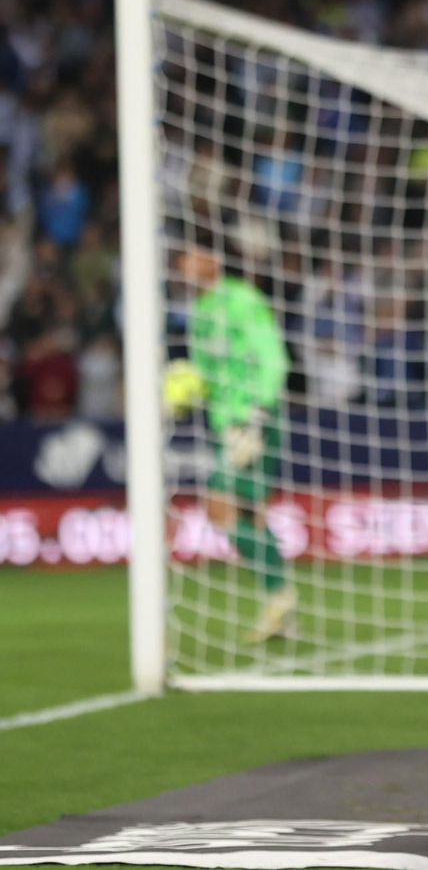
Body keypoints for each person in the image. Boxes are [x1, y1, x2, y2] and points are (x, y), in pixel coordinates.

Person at [167, 243, 295, 641]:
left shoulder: (241, 299)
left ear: (213, 259)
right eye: (181, 259)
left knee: (219, 506)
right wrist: (183, 393)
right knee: (250, 513)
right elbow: (209, 374)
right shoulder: (200, 315)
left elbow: (272, 355)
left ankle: (280, 598)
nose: (186, 264)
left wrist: (260, 409)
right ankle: (281, 606)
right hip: (228, 424)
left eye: (192, 254)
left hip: (254, 418)